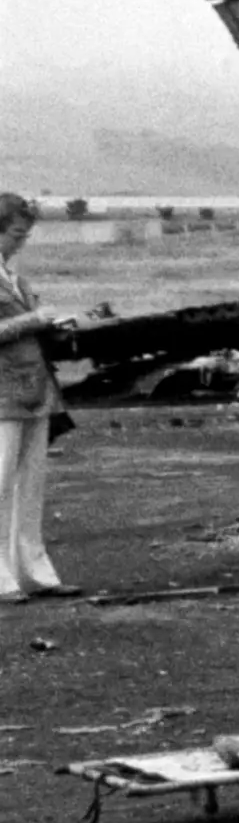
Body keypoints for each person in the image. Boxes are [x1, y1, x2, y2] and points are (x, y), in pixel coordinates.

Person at [0, 193, 64, 596]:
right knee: (1, 482)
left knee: (31, 484)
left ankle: (34, 572)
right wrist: (31, 320)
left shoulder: (13, 277)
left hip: (33, 389)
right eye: (17, 234)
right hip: (4, 392)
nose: (22, 242)